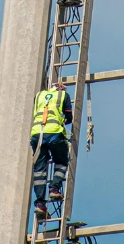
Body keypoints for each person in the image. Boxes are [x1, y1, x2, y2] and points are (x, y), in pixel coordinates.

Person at [30, 82, 73, 218]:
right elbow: (69, 117)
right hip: (54, 133)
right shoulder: (63, 95)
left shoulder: (39, 96)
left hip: (37, 134)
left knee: (39, 171)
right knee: (62, 161)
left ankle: (40, 204)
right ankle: (54, 188)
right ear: (60, 88)